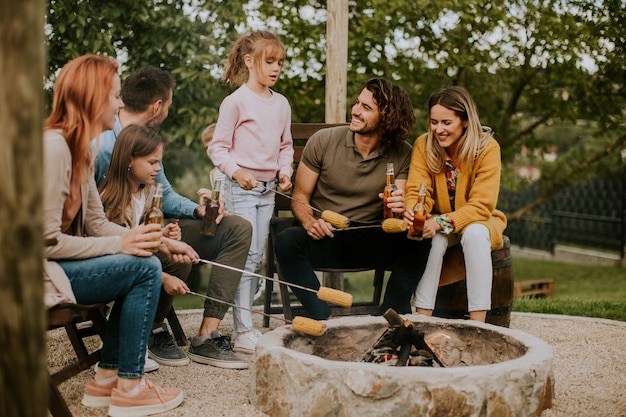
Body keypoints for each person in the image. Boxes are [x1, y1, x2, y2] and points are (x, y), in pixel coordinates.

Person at [44, 54, 197, 416]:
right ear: (92, 97)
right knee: (144, 269)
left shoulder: (79, 149)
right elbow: (44, 241)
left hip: (58, 266)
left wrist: (159, 241)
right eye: (114, 95)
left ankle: (107, 378)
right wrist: (126, 243)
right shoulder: (53, 149)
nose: (119, 103)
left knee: (144, 259)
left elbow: (97, 224)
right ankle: (130, 386)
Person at [94, 66, 253, 369]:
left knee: (236, 228)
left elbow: (162, 195)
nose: (168, 110)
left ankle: (207, 337)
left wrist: (198, 210)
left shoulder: (149, 142)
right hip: (110, 242)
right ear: (157, 106)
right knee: (165, 253)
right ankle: (146, 330)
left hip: (147, 235)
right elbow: (87, 216)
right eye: (168, 104)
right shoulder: (100, 144)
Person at [274, 78, 430, 320]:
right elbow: (300, 196)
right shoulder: (324, 141)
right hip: (326, 235)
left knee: (418, 238)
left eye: (366, 108)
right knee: (286, 241)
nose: (355, 111)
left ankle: (389, 316)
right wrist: (310, 222)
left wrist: (400, 206)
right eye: (357, 103)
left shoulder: (403, 153)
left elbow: (399, 207)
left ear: (388, 117)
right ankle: (321, 316)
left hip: (371, 236)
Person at [208, 30, 293, 353]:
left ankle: (245, 328)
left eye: (280, 63)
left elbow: (286, 146)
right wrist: (237, 172)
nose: (275, 69)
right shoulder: (236, 102)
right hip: (241, 190)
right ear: (249, 61)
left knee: (257, 258)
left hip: (268, 192)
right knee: (245, 258)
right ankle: (244, 331)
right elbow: (218, 148)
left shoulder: (281, 104)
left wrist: (285, 171)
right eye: (269, 61)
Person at [405, 86, 507, 322]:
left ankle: (478, 323)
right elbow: (417, 190)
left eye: (446, 122)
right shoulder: (424, 145)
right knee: (435, 238)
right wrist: (415, 211)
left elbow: (482, 205)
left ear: (464, 121)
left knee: (473, 234)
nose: (438, 129)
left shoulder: (488, 148)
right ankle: (422, 317)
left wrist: (439, 221)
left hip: (479, 219)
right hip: (439, 219)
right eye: (433, 122)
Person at [99, 124, 192, 367]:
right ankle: (123, 339)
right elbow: (122, 247)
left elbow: (140, 233)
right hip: (114, 267)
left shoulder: (151, 193)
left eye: (159, 162)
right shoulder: (110, 197)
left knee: (177, 260)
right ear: (129, 160)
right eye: (152, 162)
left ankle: (147, 330)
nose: (158, 168)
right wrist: (162, 278)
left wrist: (163, 233)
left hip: (140, 260)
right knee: (160, 267)